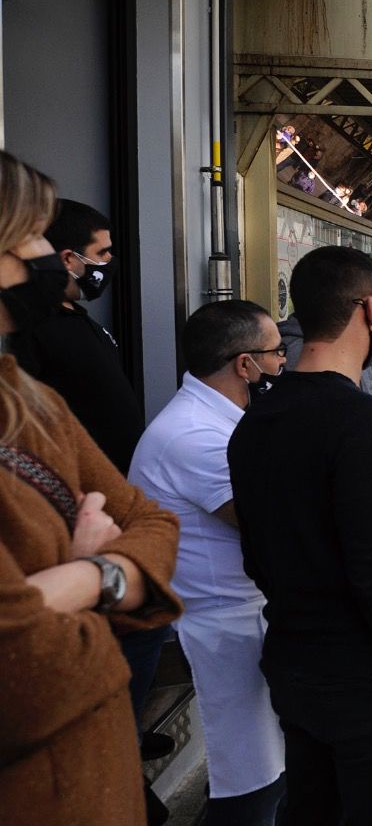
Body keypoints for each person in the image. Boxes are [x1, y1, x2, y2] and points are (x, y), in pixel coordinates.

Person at [228, 245, 372, 826]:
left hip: (294, 659)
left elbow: (257, 554)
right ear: (369, 311)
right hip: (366, 675)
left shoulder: (254, 421)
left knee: (312, 808)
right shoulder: (358, 419)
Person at [0, 150, 181, 826]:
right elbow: (21, 673)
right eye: (33, 234)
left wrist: (71, 582)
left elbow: (152, 520)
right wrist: (106, 576)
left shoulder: (26, 396)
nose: (50, 256)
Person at [129, 301, 288, 825]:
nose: (283, 361)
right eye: (276, 352)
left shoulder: (219, 418)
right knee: (250, 778)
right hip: (220, 619)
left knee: (267, 769)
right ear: (246, 364)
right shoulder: (194, 433)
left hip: (243, 610)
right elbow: (267, 519)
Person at [11, 198, 142, 474]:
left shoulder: (80, 320)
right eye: (102, 252)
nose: (109, 261)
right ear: (68, 258)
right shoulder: (33, 327)